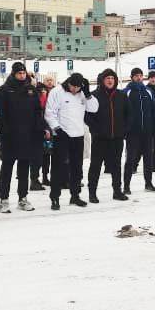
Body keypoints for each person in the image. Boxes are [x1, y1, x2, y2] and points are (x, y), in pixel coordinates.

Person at [0, 62, 43, 213]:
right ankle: (4, 199)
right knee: (7, 167)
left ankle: (22, 198)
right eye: (19, 73)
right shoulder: (3, 90)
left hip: (27, 136)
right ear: (13, 74)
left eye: (23, 73)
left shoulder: (31, 90)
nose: (22, 76)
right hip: (10, 136)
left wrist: (38, 128)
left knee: (24, 168)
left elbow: (37, 111)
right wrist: (4, 130)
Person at [45, 73, 98, 210]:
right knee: (58, 168)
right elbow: (49, 113)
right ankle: (55, 197)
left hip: (78, 135)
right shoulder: (57, 92)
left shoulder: (82, 94)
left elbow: (94, 108)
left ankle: (75, 196)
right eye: (73, 87)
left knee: (77, 168)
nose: (75, 90)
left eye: (78, 87)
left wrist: (87, 94)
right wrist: (57, 129)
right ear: (68, 83)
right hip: (62, 136)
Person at [86, 69, 129, 203]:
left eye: (112, 78)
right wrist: (96, 130)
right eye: (107, 78)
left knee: (116, 166)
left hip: (117, 138)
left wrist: (123, 130)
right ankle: (92, 193)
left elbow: (129, 115)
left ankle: (117, 191)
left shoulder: (122, 96)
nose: (110, 80)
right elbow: (87, 116)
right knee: (95, 166)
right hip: (100, 138)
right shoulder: (94, 96)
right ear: (102, 80)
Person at [123, 67, 155, 195]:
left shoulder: (148, 91)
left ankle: (148, 183)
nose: (139, 78)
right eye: (136, 75)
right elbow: (122, 113)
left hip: (147, 132)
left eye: (141, 75)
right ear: (132, 77)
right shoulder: (126, 92)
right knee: (130, 159)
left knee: (148, 159)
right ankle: (126, 186)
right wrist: (125, 129)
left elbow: (154, 110)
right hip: (132, 133)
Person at [30, 74, 56, 190]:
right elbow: (40, 109)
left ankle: (45, 177)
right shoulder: (40, 91)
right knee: (38, 155)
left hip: (50, 127)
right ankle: (35, 178)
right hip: (40, 126)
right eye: (47, 80)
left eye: (51, 80)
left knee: (47, 154)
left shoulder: (55, 91)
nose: (49, 82)